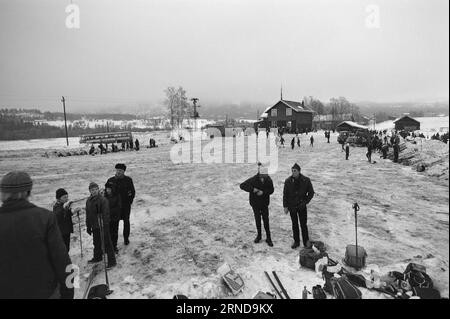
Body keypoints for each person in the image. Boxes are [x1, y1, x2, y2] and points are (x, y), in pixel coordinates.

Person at [0, 171, 74, 299]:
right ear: (28, 192)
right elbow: (63, 261)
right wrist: (69, 292)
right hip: (44, 292)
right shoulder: (44, 218)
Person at [239, 163, 274, 247]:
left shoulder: (268, 179)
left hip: (264, 204)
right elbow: (242, 185)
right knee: (257, 220)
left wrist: (263, 192)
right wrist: (253, 189)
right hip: (255, 204)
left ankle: (268, 238)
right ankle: (259, 236)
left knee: (266, 220)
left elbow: (271, 190)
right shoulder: (253, 179)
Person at [283, 163, 315, 249]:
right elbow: (285, 195)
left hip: (302, 206)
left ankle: (306, 242)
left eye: (295, 171)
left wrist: (305, 202)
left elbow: (311, 193)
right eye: (292, 171)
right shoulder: (288, 181)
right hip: (292, 206)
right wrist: (285, 206)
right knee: (295, 224)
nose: (293, 172)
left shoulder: (306, 180)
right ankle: (296, 241)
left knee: (303, 225)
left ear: (299, 171)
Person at [85, 182, 116, 268]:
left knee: (107, 243)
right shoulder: (88, 201)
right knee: (96, 242)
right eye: (92, 190)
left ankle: (112, 261)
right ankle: (97, 257)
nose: (94, 191)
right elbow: (88, 214)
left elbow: (106, 213)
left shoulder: (103, 200)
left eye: (95, 189)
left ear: (98, 189)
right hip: (94, 225)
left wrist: (105, 225)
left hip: (102, 225)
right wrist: (88, 226)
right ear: (89, 191)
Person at [106, 163, 135, 245]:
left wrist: (129, 201)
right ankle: (114, 243)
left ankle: (126, 238)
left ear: (124, 171)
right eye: (117, 170)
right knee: (114, 224)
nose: (118, 172)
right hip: (114, 207)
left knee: (126, 222)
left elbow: (132, 192)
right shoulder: (110, 180)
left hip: (125, 206)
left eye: (121, 170)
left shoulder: (128, 180)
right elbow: (107, 193)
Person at [104, 182, 122, 253]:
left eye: (109, 189)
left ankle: (114, 246)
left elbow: (119, 206)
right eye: (107, 189)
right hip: (107, 218)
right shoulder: (104, 196)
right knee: (107, 233)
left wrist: (109, 211)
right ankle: (107, 247)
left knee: (114, 233)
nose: (108, 190)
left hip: (115, 218)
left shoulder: (117, 195)